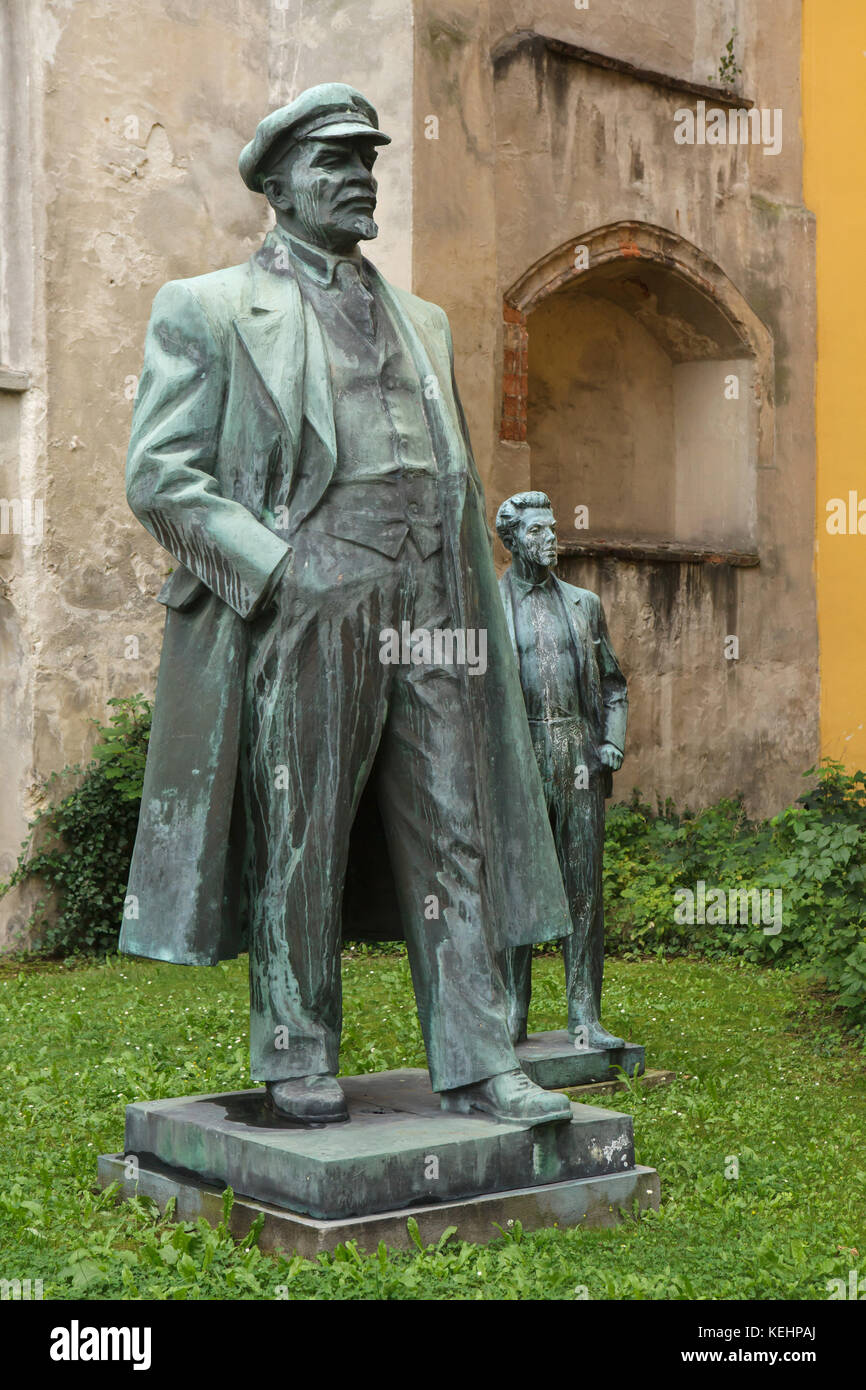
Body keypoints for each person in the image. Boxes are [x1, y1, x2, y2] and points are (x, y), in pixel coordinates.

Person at [119, 85, 573, 1126]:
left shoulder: (422, 319)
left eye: (367, 159)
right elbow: (161, 476)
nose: (359, 176)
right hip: (309, 592)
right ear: (275, 185)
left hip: (437, 593)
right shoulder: (212, 307)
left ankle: (477, 1054)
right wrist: (279, 571)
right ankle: (294, 1049)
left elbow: (451, 474)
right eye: (333, 161)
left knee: (456, 825)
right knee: (300, 826)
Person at [496, 491, 628, 1049]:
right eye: (535, 532)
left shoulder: (584, 604)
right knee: (516, 891)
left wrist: (611, 744)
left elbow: (615, 685)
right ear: (511, 541)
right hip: (519, 753)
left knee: (583, 891)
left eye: (552, 529)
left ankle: (584, 1015)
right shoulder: (488, 607)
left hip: (576, 750)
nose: (550, 539)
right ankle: (510, 1014)